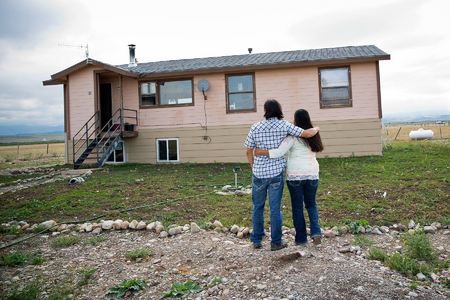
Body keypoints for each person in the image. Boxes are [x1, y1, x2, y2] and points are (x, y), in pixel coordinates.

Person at [244, 100, 319, 251]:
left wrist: (253, 164)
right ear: (279, 110)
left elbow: (248, 149)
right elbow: (306, 133)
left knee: (257, 206)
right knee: (275, 208)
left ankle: (257, 239)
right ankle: (276, 241)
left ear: (265, 110)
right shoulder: (284, 125)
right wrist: (316, 127)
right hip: (277, 173)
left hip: (259, 172)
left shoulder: (255, 126)